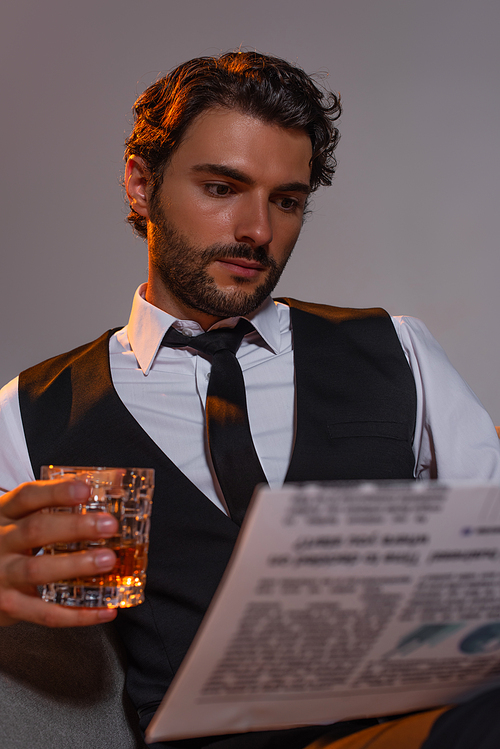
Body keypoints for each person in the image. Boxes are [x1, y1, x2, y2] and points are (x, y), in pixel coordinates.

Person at [1, 51, 500, 749]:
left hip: (431, 722)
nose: (258, 230)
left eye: (287, 200)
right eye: (221, 187)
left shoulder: (397, 348)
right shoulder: (28, 413)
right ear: (141, 186)